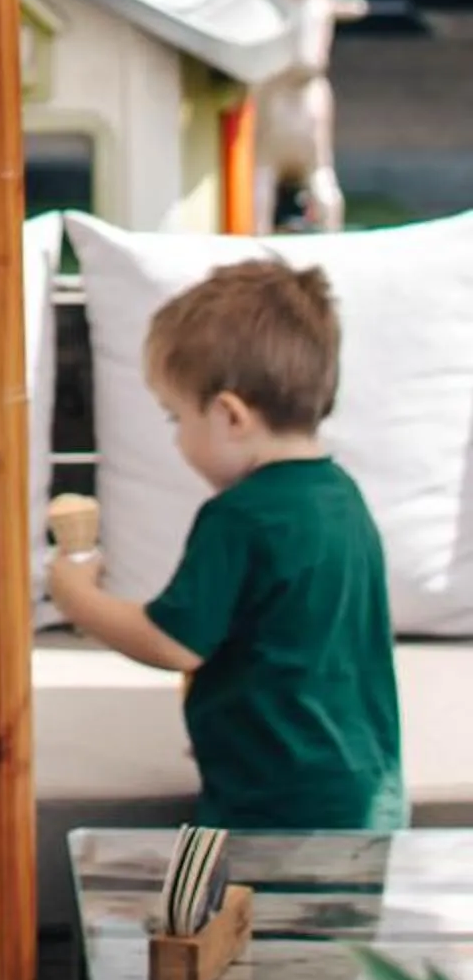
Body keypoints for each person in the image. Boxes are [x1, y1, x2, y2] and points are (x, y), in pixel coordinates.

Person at [47, 257, 404, 831]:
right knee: (334, 922)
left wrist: (74, 596)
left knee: (235, 922)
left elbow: (171, 642)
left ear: (230, 415)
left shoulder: (238, 518)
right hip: (362, 788)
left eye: (175, 417)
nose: (177, 438)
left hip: (276, 804)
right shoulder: (343, 498)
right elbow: (301, 648)